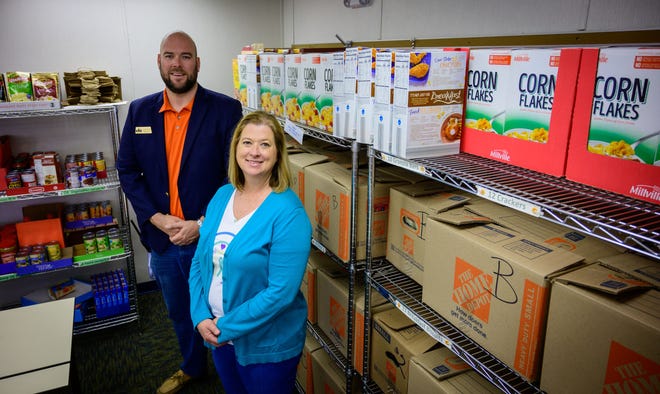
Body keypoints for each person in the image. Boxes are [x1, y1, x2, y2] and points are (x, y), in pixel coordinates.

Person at [116, 30, 243, 394]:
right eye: (169, 56)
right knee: (180, 312)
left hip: (211, 237)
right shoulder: (140, 111)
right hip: (164, 240)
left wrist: (200, 224)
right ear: (158, 61)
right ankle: (192, 367)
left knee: (222, 307)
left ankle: (231, 374)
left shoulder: (224, 110)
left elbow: (233, 177)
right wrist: (156, 218)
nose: (177, 63)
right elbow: (127, 171)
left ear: (197, 64)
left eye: (185, 56)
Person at [188, 111, 312, 394]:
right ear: (235, 149)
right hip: (218, 335)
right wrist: (199, 315)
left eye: (265, 144)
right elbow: (200, 261)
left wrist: (224, 327)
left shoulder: (288, 214)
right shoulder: (222, 196)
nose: (254, 152)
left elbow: (280, 292)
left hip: (266, 345)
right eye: (247, 143)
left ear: (278, 153)